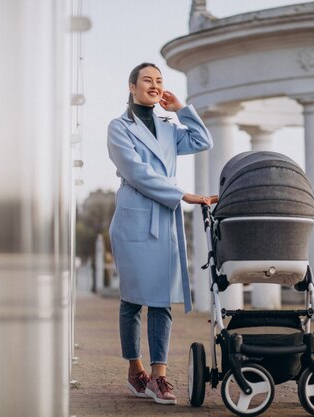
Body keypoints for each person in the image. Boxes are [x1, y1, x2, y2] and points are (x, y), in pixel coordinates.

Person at [107, 62, 217, 405]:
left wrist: (181, 110)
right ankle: (135, 370)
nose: (154, 85)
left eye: (159, 81)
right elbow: (136, 172)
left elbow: (202, 140)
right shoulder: (118, 127)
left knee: (162, 301)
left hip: (163, 220)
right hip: (134, 219)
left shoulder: (170, 127)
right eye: (147, 80)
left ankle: (159, 376)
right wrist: (181, 194)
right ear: (132, 86)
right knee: (132, 299)